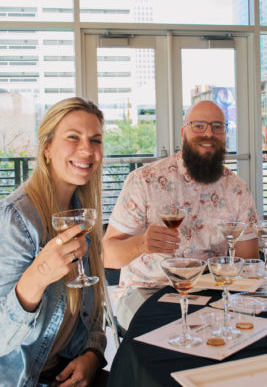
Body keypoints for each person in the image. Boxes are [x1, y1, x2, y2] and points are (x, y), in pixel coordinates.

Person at [103, 100, 259, 330]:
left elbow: (247, 261)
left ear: (225, 135)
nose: (208, 133)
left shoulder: (237, 189)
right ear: (183, 132)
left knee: (237, 327)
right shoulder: (145, 180)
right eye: (198, 126)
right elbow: (108, 256)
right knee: (174, 331)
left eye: (217, 127)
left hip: (210, 287)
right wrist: (142, 244)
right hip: (147, 289)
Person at [0, 97, 108, 387]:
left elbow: (94, 310)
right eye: (73, 137)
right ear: (46, 147)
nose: (87, 150)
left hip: (65, 370)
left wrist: (93, 355)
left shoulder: (82, 215)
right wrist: (38, 277)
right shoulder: (16, 219)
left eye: (95, 140)